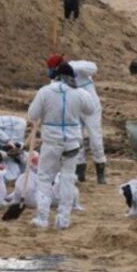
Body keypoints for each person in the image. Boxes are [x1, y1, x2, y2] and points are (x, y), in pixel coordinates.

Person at [26, 63, 95, 229]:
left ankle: (42, 218)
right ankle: (63, 219)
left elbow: (32, 115)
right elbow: (90, 109)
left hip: (51, 142)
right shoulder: (79, 93)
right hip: (72, 142)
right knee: (67, 179)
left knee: (44, 178)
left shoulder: (45, 91)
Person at [51, 56, 107, 184]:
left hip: (91, 107)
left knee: (95, 137)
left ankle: (100, 168)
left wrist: (74, 68)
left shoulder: (78, 65)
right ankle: (80, 169)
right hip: (75, 107)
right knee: (77, 138)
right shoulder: (57, 79)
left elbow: (94, 68)